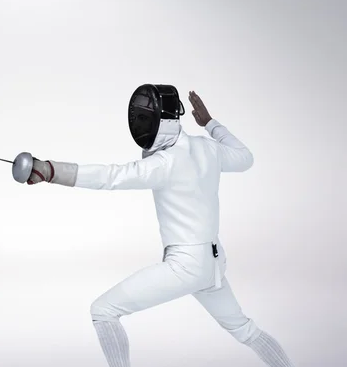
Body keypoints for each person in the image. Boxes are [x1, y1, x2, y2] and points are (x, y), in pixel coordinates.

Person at [26, 89, 295, 367]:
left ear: (157, 122)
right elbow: (245, 157)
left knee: (103, 310)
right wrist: (211, 124)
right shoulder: (208, 147)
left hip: (186, 266)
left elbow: (111, 176)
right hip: (213, 264)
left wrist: (50, 170)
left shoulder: (165, 163)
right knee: (246, 330)